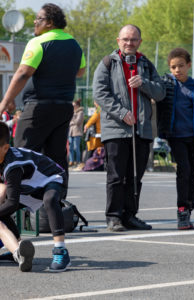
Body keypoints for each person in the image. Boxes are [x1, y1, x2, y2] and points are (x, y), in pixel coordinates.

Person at [0, 3, 85, 180]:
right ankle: (56, 199)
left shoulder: (39, 42)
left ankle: (19, 198)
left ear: (49, 22)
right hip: (64, 107)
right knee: (56, 156)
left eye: (39, 19)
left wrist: (6, 101)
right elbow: (80, 72)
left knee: (22, 152)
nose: (35, 22)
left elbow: (23, 73)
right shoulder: (74, 44)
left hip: (39, 107)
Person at [0, 120, 70, 272]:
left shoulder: (13, 166)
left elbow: (12, 203)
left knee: (49, 200)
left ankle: (60, 251)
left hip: (53, 178)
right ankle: (18, 249)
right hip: (31, 186)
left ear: (5, 148)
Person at [93, 24, 165, 232]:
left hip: (141, 130)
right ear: (118, 41)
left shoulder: (147, 65)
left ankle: (130, 215)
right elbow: (100, 93)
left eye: (133, 39)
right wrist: (122, 113)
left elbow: (160, 93)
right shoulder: (107, 63)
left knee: (135, 176)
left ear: (140, 42)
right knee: (116, 176)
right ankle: (114, 217)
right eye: (125, 39)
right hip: (116, 130)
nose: (129, 43)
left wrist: (143, 84)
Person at [157, 47, 194, 230]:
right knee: (184, 170)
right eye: (173, 67)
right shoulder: (166, 85)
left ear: (188, 65)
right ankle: (182, 209)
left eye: (181, 66)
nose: (177, 70)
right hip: (176, 137)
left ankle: (188, 208)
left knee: (193, 176)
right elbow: (155, 95)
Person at [82, 102, 102, 166]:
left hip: (98, 133)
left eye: (95, 102)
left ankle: (87, 164)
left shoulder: (99, 108)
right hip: (101, 132)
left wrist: (87, 125)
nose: (94, 103)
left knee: (90, 148)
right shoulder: (103, 107)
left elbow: (94, 118)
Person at [68, 99, 84, 167]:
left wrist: (73, 116)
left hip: (77, 132)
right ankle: (71, 161)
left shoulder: (80, 112)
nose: (73, 106)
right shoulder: (72, 112)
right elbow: (68, 121)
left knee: (76, 147)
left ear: (77, 105)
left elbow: (77, 122)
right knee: (70, 148)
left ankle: (78, 161)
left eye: (74, 105)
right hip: (71, 132)